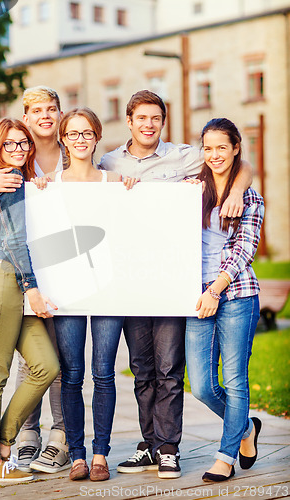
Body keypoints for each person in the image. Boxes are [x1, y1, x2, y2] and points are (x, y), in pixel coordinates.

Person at [99, 90, 253, 479]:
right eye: (142, 118)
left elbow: (236, 163)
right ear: (130, 121)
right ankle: (151, 444)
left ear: (163, 122)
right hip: (134, 281)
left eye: (156, 118)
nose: (149, 124)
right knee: (147, 369)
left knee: (175, 369)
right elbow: (83, 188)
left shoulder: (186, 157)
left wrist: (236, 189)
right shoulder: (109, 161)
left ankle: (181, 448)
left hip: (185, 286)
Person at [0, 86, 69, 474]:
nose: (20, 148)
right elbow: (13, 241)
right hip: (4, 279)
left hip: (13, 281)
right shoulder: (6, 181)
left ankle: (4, 439)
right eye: (11, 143)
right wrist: (32, 289)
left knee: (46, 366)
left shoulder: (17, 180)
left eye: (24, 143)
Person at [33, 107, 136, 482]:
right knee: (72, 373)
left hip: (108, 288)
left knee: (103, 372)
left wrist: (133, 192)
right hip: (67, 292)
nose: (79, 139)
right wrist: (40, 190)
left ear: (96, 137)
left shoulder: (116, 182)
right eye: (72, 134)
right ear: (63, 139)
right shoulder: (49, 185)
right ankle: (76, 454)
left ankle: (100, 455)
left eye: (86, 133)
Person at [185, 118, 264, 482]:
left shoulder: (249, 196)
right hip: (197, 296)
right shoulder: (191, 190)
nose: (214, 154)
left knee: (235, 380)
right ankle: (245, 427)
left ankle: (225, 455)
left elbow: (245, 249)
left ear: (235, 148)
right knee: (201, 385)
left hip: (235, 293)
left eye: (222, 147)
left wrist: (216, 289)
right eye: (208, 148)